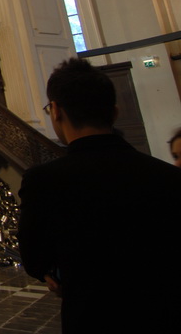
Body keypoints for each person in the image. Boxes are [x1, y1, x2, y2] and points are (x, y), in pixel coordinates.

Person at [18, 57, 181, 333]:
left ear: (55, 111)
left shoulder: (43, 181)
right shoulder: (169, 177)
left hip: (91, 317)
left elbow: (35, 259)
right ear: (115, 112)